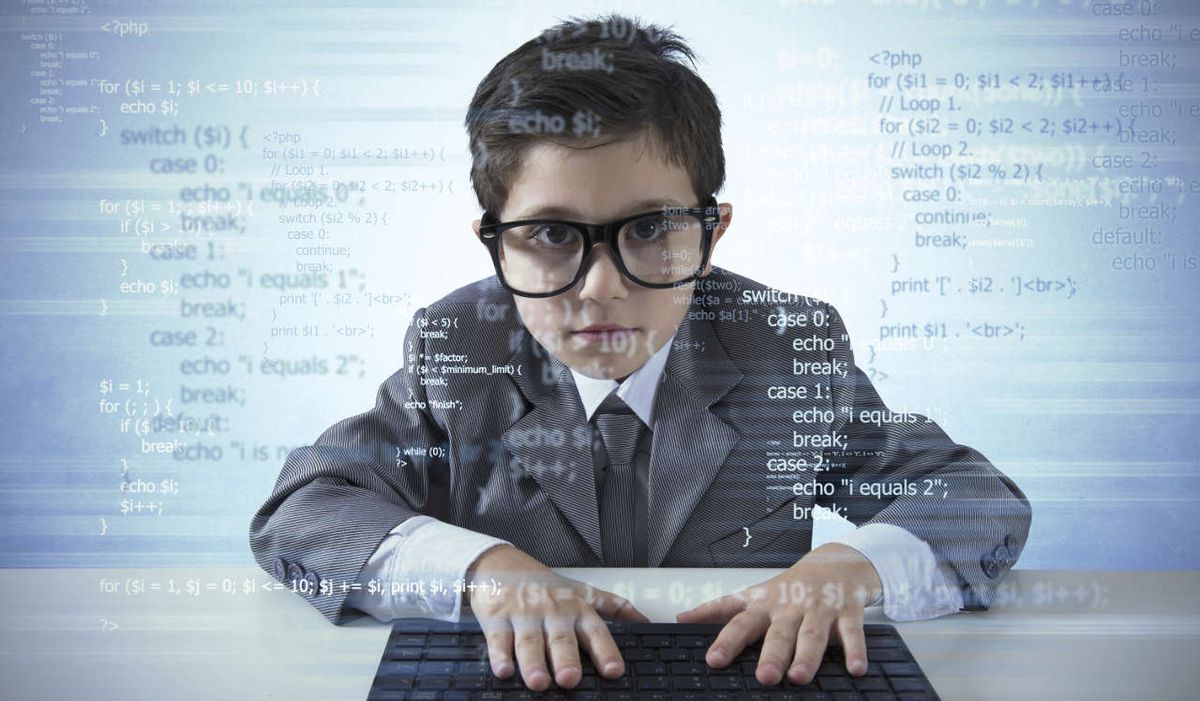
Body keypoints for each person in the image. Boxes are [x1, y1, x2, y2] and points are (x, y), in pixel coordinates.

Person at [249, 12, 1031, 692]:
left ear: (712, 232)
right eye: (552, 234)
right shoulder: (462, 346)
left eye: (651, 229)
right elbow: (304, 510)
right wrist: (482, 571)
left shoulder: (787, 351)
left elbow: (975, 498)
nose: (602, 289)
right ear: (495, 245)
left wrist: (849, 570)